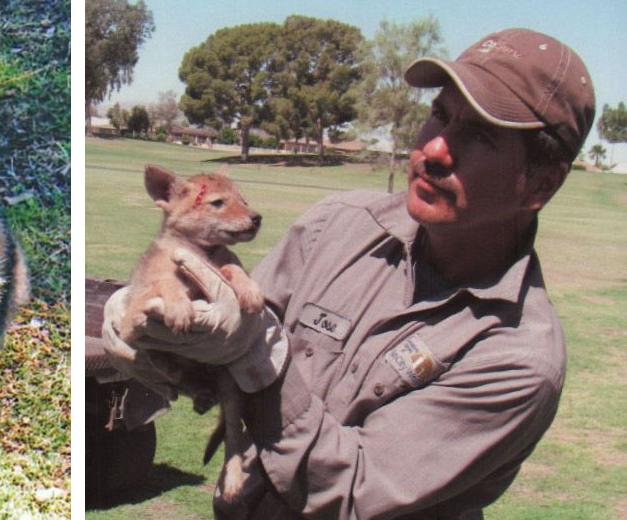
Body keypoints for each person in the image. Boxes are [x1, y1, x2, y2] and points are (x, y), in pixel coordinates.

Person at [102, 28, 595, 519]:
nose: (436, 150)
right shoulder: (338, 225)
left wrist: (257, 356)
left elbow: (353, 490)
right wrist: (152, 334)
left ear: (541, 183)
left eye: (481, 137)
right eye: (440, 115)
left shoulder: (517, 358)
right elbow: (218, 346)